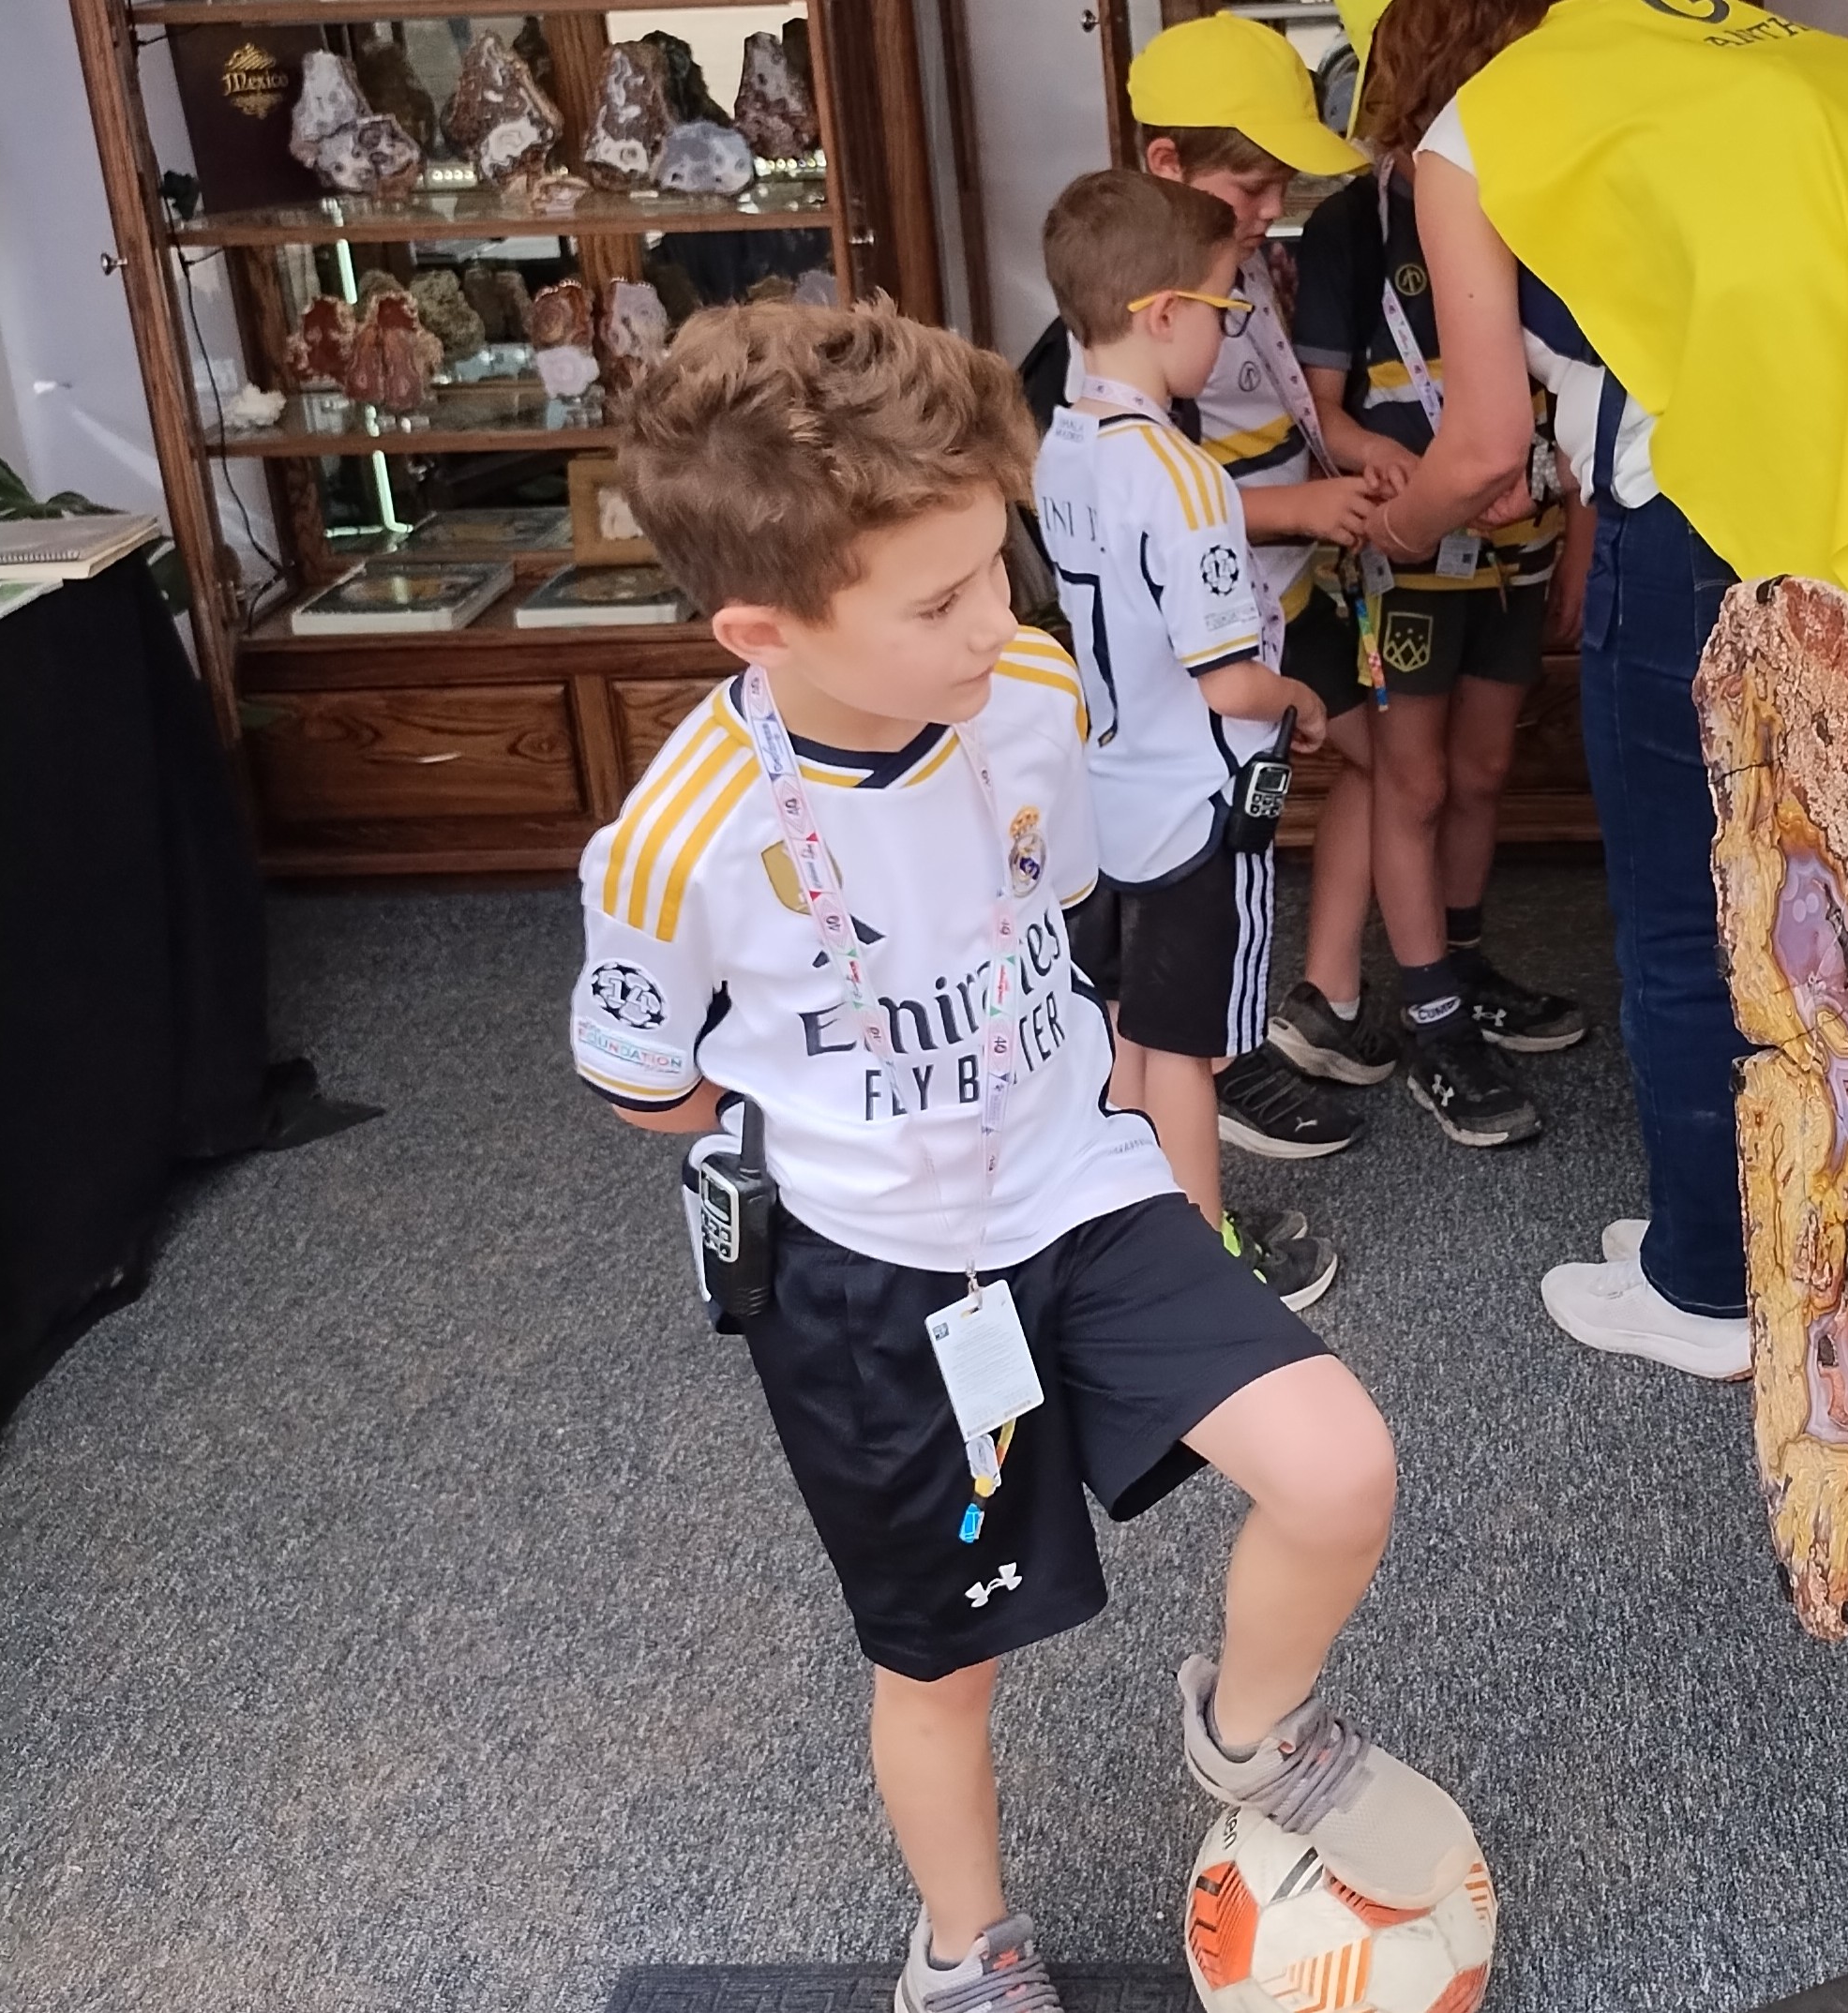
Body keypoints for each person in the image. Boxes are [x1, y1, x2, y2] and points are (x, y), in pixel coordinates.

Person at [575, 299, 1465, 2013]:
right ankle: (963, 1942)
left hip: (1081, 1186)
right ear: (761, 627)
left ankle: (1249, 1727)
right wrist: (831, 1127)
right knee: (948, 1659)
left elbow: (1053, 920)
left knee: (1339, 1466)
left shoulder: (1030, 695)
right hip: (872, 1273)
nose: (998, 624)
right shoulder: (681, 842)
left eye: (1003, 569)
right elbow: (642, 1083)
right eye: (937, 602)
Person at [1357, 0, 1848, 1376]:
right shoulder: (1799, 64)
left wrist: (1396, 532)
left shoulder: (1499, 115)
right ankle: (1839, 1240)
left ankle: (1708, 1279)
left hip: (1697, 533)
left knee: (1688, 907)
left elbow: (1481, 451)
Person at [1020, 12, 1407, 1149]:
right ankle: (1215, 1092)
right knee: (1179, 968)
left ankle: (1311, 1004)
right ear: (1168, 172)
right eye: (1251, 186)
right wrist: (1292, 512)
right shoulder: (1135, 357)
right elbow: (1170, 511)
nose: (1268, 212)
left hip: (1259, 619)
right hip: (1210, 677)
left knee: (1361, 774)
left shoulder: (1159, 327)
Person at [1032, 172, 1342, 1311]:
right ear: (1162, 313)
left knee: (1123, 1019)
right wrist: (1302, 703)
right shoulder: (1187, 477)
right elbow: (1226, 680)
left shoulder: (1060, 447)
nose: (1229, 328)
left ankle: (1122, 1221)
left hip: (1106, 791)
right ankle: (1205, 1256)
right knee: (1193, 1045)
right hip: (1196, 806)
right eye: (1225, 306)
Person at [1281, 122, 1592, 1149]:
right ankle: (1430, 1017)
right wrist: (1423, 484)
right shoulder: (1345, 227)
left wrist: (1578, 538)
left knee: (1487, 764)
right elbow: (1323, 416)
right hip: (1404, 542)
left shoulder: (1538, 200)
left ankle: (1464, 967)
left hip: (1527, 537)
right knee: (1410, 782)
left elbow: (1585, 389)